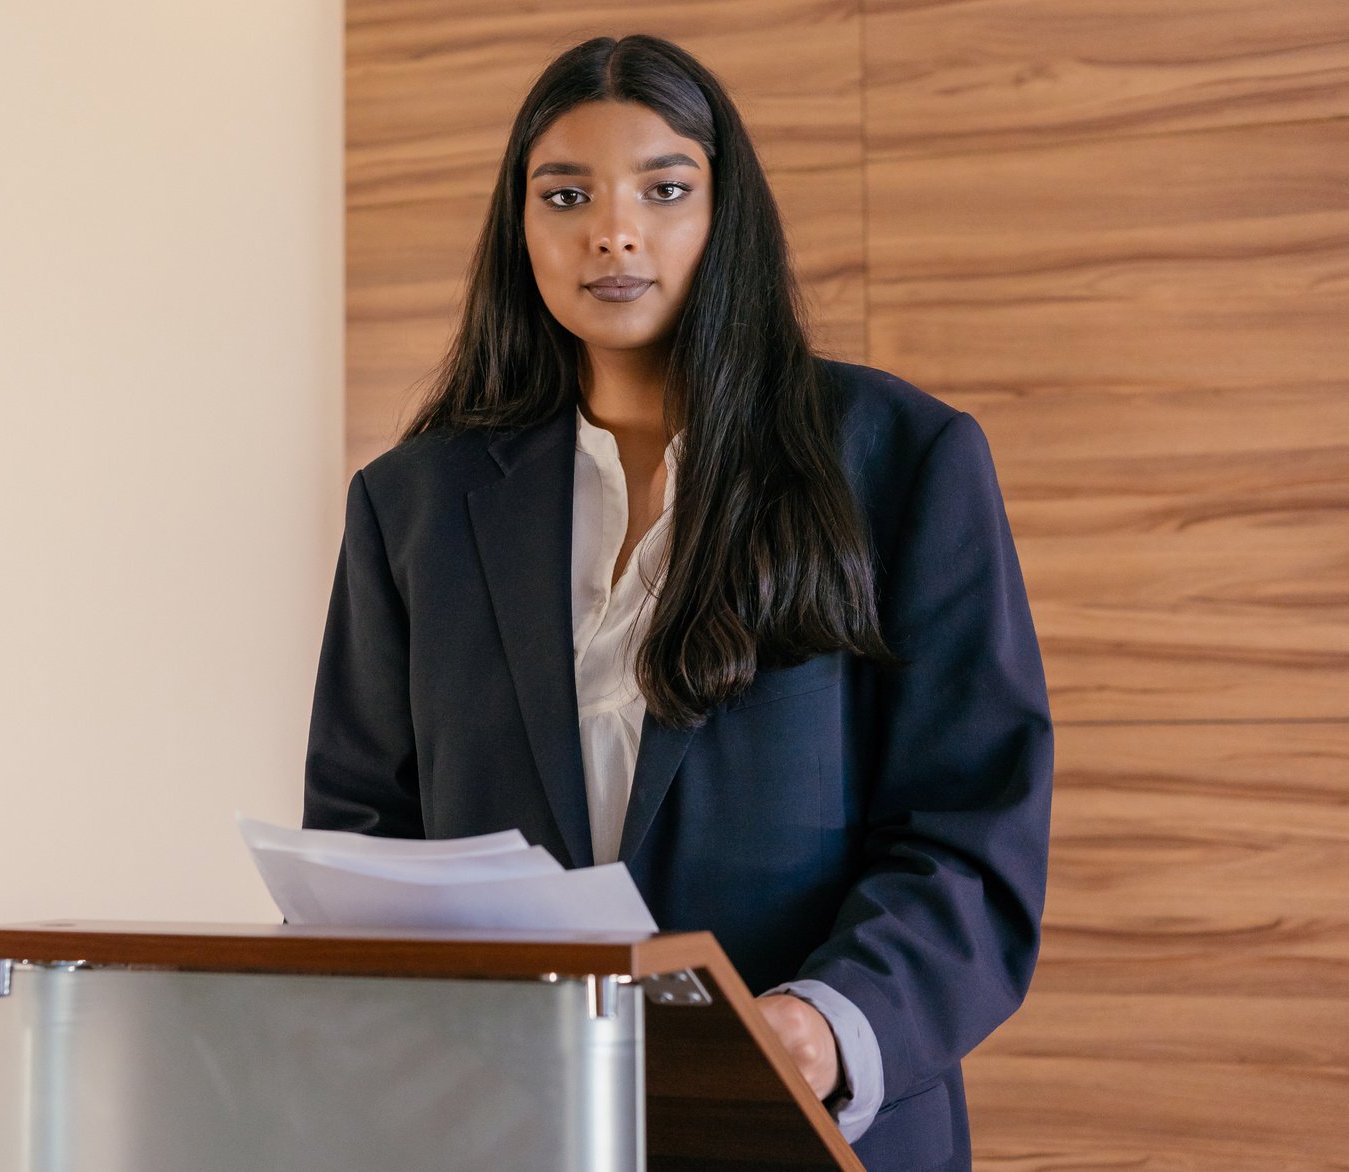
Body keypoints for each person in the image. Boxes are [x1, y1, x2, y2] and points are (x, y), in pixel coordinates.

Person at [304, 33, 1053, 1172]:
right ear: (522, 231)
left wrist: (820, 1024)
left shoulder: (899, 459)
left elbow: (971, 831)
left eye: (664, 188)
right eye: (568, 195)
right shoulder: (411, 504)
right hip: (508, 1128)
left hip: (808, 1127)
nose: (614, 230)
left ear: (725, 214)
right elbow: (363, 829)